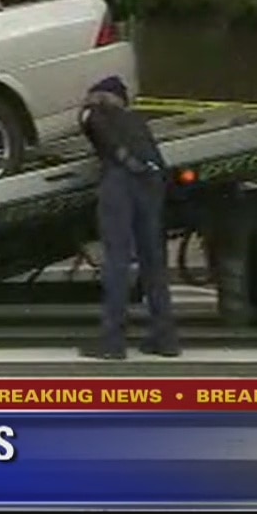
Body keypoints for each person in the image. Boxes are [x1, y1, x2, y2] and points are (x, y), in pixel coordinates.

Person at [76, 76, 181, 360]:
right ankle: (165, 338)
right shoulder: (136, 119)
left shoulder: (93, 113)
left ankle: (112, 343)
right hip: (153, 179)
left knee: (118, 259)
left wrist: (122, 157)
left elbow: (95, 127)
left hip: (121, 180)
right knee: (153, 260)